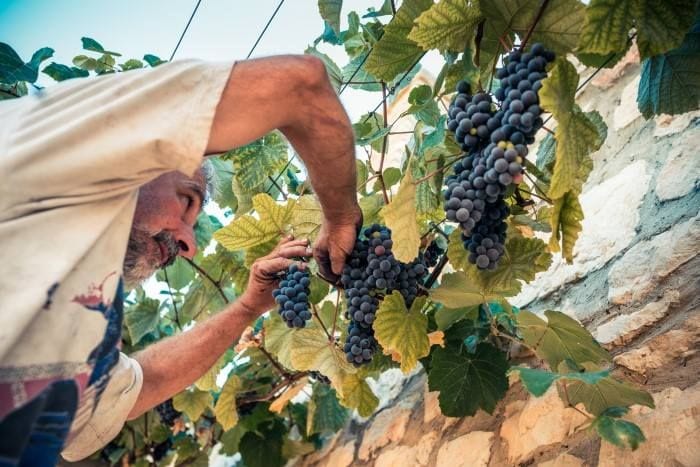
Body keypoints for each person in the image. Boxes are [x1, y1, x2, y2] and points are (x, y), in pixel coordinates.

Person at [0, 55, 361, 464]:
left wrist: (247, 307)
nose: (188, 245)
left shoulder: (71, 332)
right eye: (187, 200)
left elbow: (140, 383)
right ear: (140, 157)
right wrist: (340, 216)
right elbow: (299, 85)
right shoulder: (48, 147)